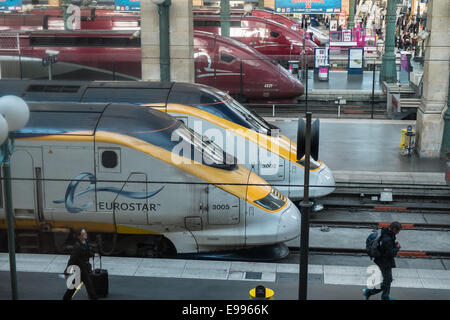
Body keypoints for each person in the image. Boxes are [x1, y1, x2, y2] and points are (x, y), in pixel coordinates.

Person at [364, 222, 402, 300]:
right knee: (387, 281)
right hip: (384, 262)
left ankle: (385, 297)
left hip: (383, 260)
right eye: (398, 231)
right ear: (394, 229)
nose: (398, 232)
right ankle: (369, 292)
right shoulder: (387, 239)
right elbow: (390, 254)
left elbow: (385, 248)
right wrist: (397, 247)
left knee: (388, 280)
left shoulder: (386, 232)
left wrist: (393, 245)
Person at [62, 228, 98, 300]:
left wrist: (93, 254)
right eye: (83, 234)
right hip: (81, 269)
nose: (86, 234)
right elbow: (72, 260)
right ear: (79, 236)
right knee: (90, 287)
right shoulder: (77, 246)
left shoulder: (85, 242)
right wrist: (67, 272)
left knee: (74, 285)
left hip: (85, 268)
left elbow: (86, 253)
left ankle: (66, 298)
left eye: (85, 233)